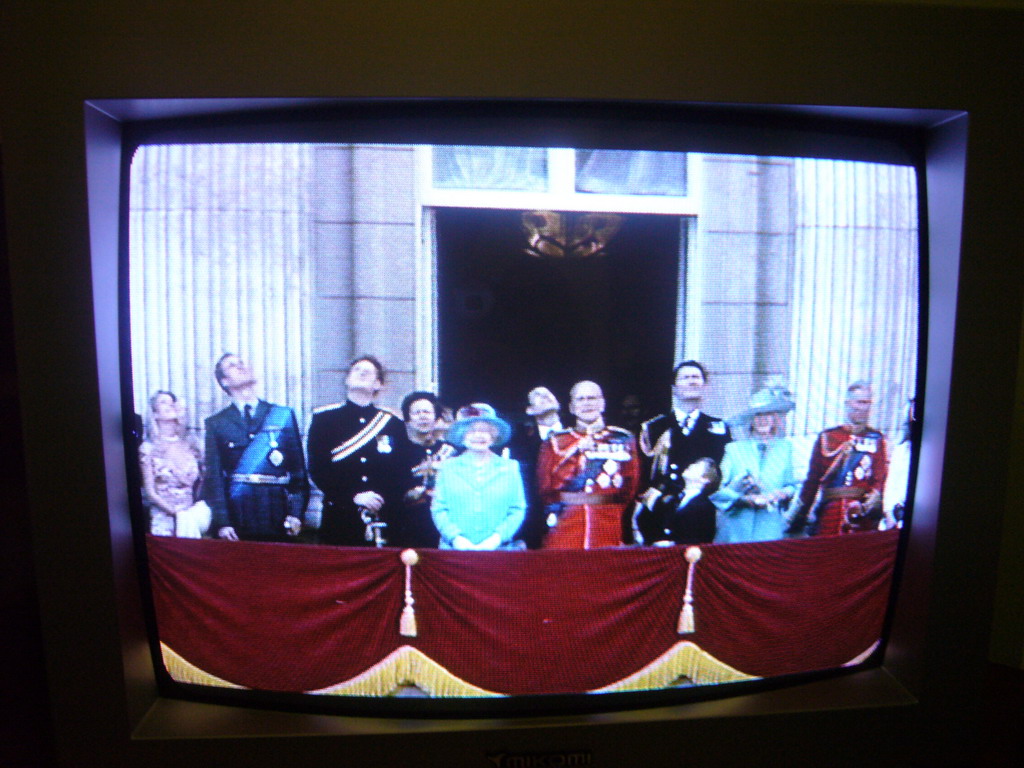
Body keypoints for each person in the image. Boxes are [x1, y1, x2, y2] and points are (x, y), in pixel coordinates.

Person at [202, 354, 308, 542]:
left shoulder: (282, 415)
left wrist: (296, 514)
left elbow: (298, 473)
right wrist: (223, 522)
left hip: (277, 512)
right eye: (233, 366)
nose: (241, 367)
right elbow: (215, 478)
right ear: (224, 381)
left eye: (242, 362)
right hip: (239, 515)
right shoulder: (217, 423)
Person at [307, 356, 407, 546]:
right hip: (340, 514)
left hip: (382, 513)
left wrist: (379, 499)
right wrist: (353, 496)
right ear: (347, 380)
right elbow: (318, 469)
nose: (361, 373)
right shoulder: (324, 419)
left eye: (367, 372)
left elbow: (400, 471)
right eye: (356, 370)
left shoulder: (392, 423)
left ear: (378, 385)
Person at [537, 380, 640, 549]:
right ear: (571, 407)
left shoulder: (622, 439)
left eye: (592, 398)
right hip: (566, 525)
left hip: (607, 525)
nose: (587, 404)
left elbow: (630, 488)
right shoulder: (556, 442)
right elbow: (545, 489)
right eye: (581, 399)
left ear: (602, 404)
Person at [637, 361, 731, 538]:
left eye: (696, 377)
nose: (692, 381)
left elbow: (725, 472)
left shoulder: (718, 428)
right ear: (674, 387)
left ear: (704, 386)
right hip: (662, 512)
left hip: (702, 514)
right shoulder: (654, 427)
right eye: (685, 378)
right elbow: (643, 474)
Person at [790, 381, 889, 536]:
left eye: (868, 403)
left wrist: (875, 498)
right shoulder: (828, 437)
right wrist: (799, 516)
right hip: (830, 516)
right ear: (848, 403)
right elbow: (813, 481)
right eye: (860, 402)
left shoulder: (876, 438)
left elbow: (880, 476)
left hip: (862, 518)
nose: (864, 408)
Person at [711, 385, 799, 544]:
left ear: (775, 419)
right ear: (750, 421)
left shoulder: (785, 448)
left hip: (770, 530)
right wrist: (744, 499)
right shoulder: (734, 449)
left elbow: (792, 485)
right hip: (737, 530)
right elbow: (719, 492)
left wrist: (780, 494)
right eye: (757, 415)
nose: (763, 419)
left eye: (768, 414)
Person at [430, 404, 526, 550]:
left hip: (499, 552)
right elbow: (438, 509)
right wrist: (456, 539)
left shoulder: (510, 467)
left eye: (485, 431)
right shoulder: (447, 467)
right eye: (471, 431)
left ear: (494, 436)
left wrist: (495, 539)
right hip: (454, 552)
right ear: (462, 435)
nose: (478, 436)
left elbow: (517, 509)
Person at [391, 391, 455, 548]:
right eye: (416, 412)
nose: (422, 416)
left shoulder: (450, 451)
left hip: (444, 527)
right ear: (408, 419)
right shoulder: (397, 452)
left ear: (436, 417)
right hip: (407, 527)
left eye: (427, 412)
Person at [139, 390, 205, 537]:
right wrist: (178, 514)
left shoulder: (191, 444)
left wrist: (193, 513)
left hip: (191, 518)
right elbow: (150, 492)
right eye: (163, 402)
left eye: (172, 402)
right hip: (164, 520)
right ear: (155, 414)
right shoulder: (148, 449)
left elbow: (201, 483)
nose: (170, 405)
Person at [507, 386, 564, 549]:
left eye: (549, 393)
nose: (545, 396)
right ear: (529, 410)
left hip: (574, 517)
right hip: (534, 524)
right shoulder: (519, 444)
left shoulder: (578, 435)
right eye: (538, 395)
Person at [633, 458, 719, 546]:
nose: (691, 465)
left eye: (697, 466)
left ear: (705, 479)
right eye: (693, 463)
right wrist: (647, 505)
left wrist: (673, 544)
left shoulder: (706, 507)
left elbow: (703, 539)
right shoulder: (672, 498)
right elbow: (648, 524)